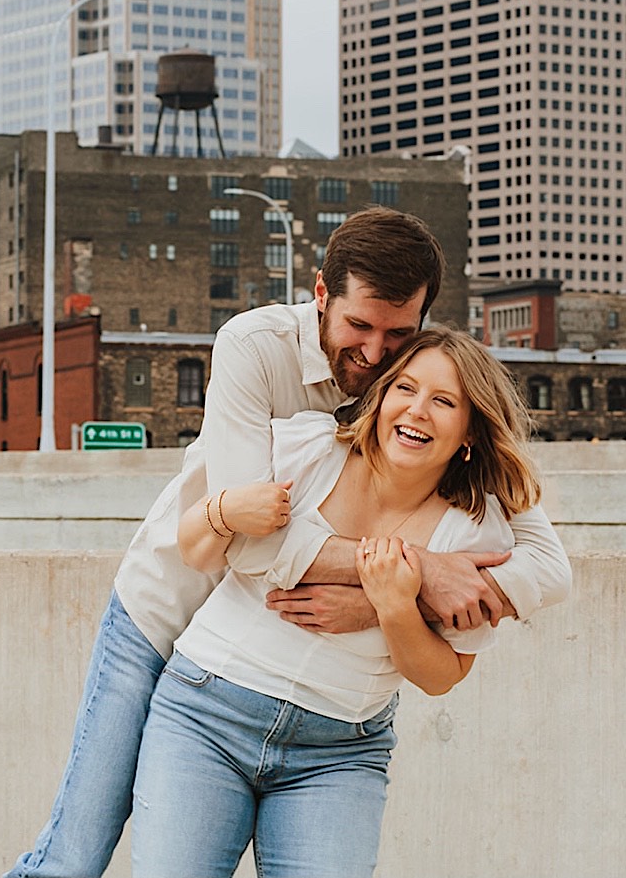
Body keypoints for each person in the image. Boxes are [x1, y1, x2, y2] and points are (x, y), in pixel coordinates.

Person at [3, 209, 571, 878]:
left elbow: (545, 567)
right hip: (167, 609)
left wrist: (392, 600)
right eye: (359, 326)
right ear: (321, 295)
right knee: (75, 849)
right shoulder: (257, 347)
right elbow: (253, 545)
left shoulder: (418, 402)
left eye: (399, 333)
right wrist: (412, 572)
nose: (376, 351)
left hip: (323, 711)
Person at [131, 327, 544, 877]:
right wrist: (224, 511)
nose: (417, 411)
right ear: (381, 396)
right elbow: (198, 549)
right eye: (405, 388)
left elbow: (443, 675)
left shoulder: (476, 535)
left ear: (470, 434)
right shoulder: (308, 448)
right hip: (205, 715)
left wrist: (394, 605)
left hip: (340, 753)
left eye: (444, 401)